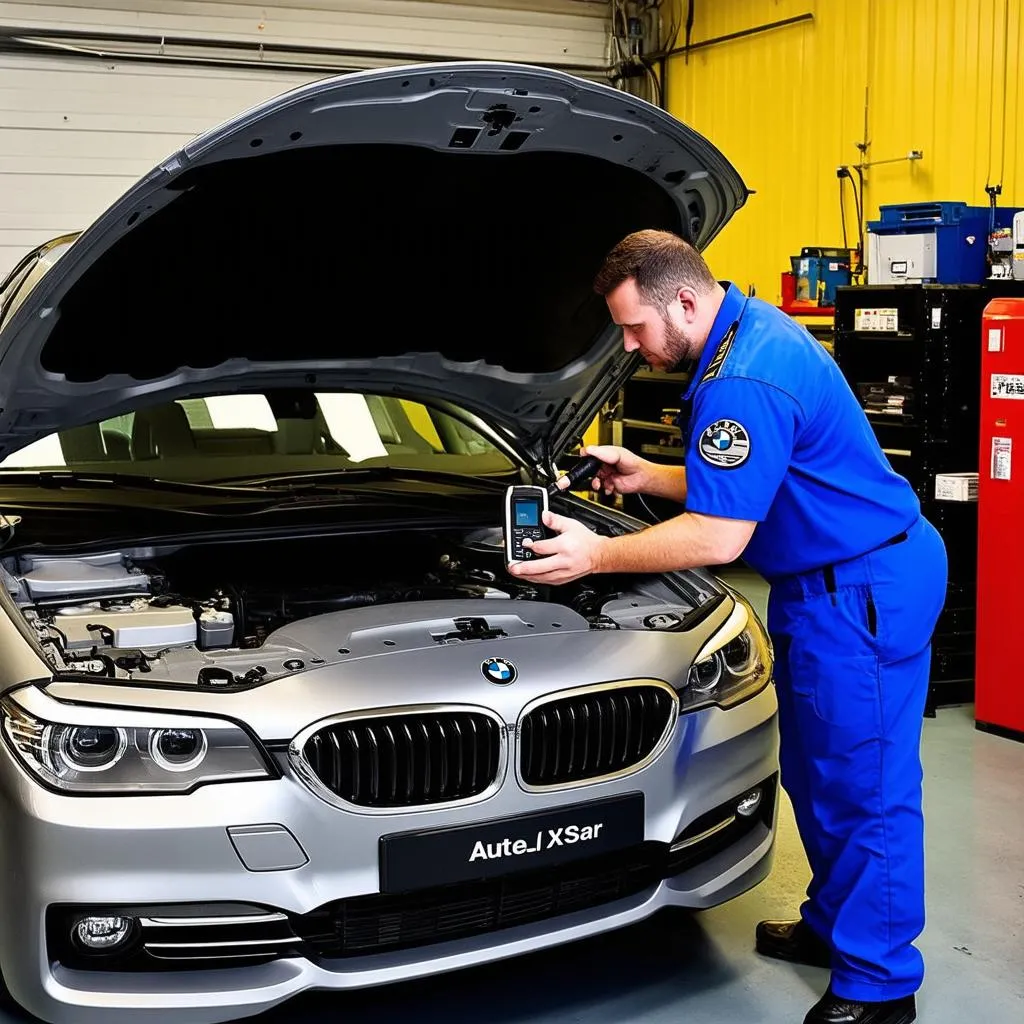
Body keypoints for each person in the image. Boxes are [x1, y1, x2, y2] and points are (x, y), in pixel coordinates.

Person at [508, 229, 947, 1024]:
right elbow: (747, 481)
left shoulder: (742, 377)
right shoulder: (741, 336)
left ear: (682, 298)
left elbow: (718, 538)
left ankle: (882, 986)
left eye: (637, 328)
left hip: (861, 586)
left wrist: (595, 555)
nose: (634, 349)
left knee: (865, 786)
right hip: (830, 581)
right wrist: (654, 476)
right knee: (816, 777)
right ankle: (836, 926)